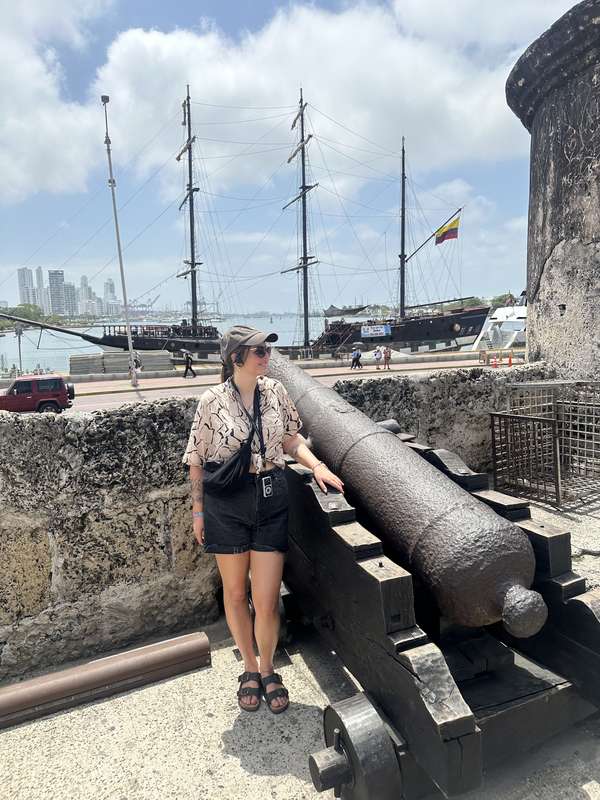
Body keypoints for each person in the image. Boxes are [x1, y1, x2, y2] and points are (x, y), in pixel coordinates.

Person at [182, 325, 344, 714]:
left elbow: (290, 439)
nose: (266, 356)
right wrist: (198, 511)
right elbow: (196, 461)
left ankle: (269, 668)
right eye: (258, 351)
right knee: (236, 593)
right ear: (236, 357)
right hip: (227, 502)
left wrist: (317, 465)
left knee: (266, 600)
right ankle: (250, 669)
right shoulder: (211, 401)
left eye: (267, 350)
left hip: (270, 497)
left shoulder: (275, 391)